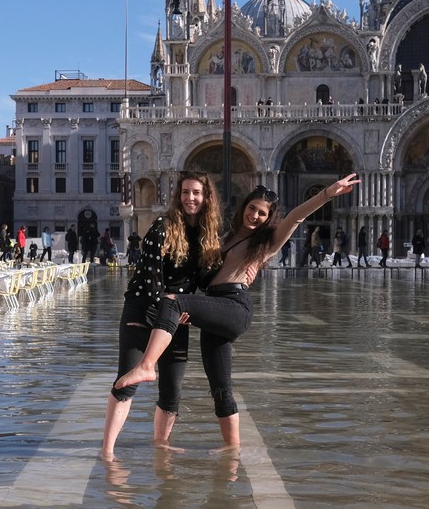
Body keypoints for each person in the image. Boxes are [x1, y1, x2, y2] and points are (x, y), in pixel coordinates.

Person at [114, 175, 359, 448]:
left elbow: (295, 217)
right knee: (220, 388)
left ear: (269, 218)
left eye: (262, 213)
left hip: (234, 306)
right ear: (244, 207)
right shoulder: (226, 236)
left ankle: (147, 366)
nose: (254, 216)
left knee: (175, 301)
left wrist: (327, 193)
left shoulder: (266, 242)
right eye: (252, 208)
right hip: (214, 308)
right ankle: (231, 453)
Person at [101, 171, 223, 459]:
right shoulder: (163, 226)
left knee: (172, 388)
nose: (190, 198)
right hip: (143, 309)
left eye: (196, 193)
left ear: (206, 198)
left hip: (176, 316)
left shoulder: (207, 234)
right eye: (185, 192)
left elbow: (204, 280)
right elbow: (151, 275)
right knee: (126, 381)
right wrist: (168, 310)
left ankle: (160, 446)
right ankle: (107, 451)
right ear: (177, 196)